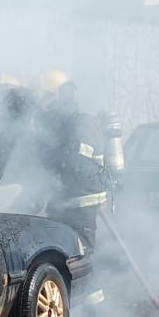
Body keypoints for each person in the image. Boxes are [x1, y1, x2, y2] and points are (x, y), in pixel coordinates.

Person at [33, 70, 110, 250]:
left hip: (82, 201)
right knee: (65, 254)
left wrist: (53, 193)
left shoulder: (81, 123)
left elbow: (77, 167)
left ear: (60, 95)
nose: (45, 105)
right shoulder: (65, 122)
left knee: (81, 255)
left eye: (47, 97)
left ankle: (91, 280)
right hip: (67, 201)